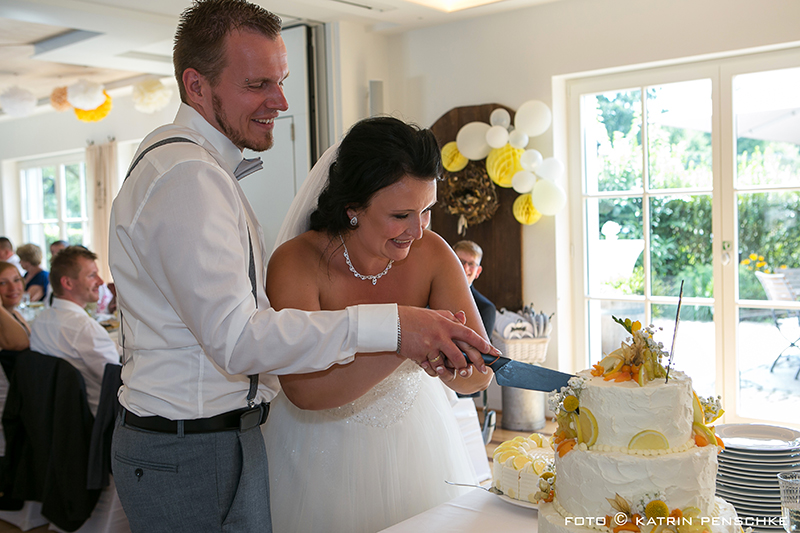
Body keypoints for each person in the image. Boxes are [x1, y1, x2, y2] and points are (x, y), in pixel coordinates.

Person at [108, 1, 497, 532]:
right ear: (196, 86)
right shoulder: (189, 180)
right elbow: (239, 340)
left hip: (209, 438)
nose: (281, 101)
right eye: (257, 84)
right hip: (190, 447)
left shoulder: (196, 170)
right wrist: (399, 330)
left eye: (282, 80)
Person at [262, 116, 494, 532]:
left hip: (419, 447)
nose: (417, 230)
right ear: (353, 208)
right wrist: (404, 342)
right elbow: (303, 390)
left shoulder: (434, 254)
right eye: (401, 214)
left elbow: (478, 377)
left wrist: (455, 365)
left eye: (426, 210)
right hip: (315, 455)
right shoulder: (297, 264)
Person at [29, 246, 130, 532]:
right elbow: (120, 378)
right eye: (91, 274)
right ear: (68, 282)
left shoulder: (42, 321)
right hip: (96, 423)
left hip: (56, 423)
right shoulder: (83, 329)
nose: (99, 280)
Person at [453, 240, 496, 336]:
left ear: (478, 271)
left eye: (471, 264)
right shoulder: (431, 294)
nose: (465, 268)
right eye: (460, 261)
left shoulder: (485, 308)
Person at [0, 261, 30, 351]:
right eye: (2, 283)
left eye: (16, 280)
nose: (13, 288)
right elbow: (22, 343)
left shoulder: (15, 313)